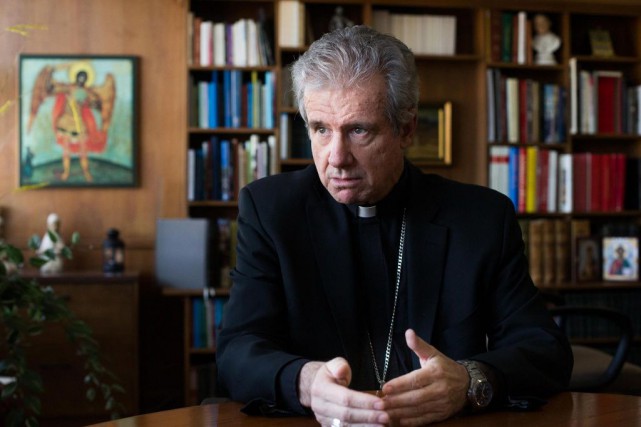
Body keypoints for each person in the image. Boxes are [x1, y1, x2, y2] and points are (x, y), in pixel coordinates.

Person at [217, 26, 572, 426]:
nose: (336, 158)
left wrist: (470, 381)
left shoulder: (481, 218)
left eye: (358, 130)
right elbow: (237, 351)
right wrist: (305, 382)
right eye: (320, 129)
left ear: (405, 129)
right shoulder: (270, 210)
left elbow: (544, 349)